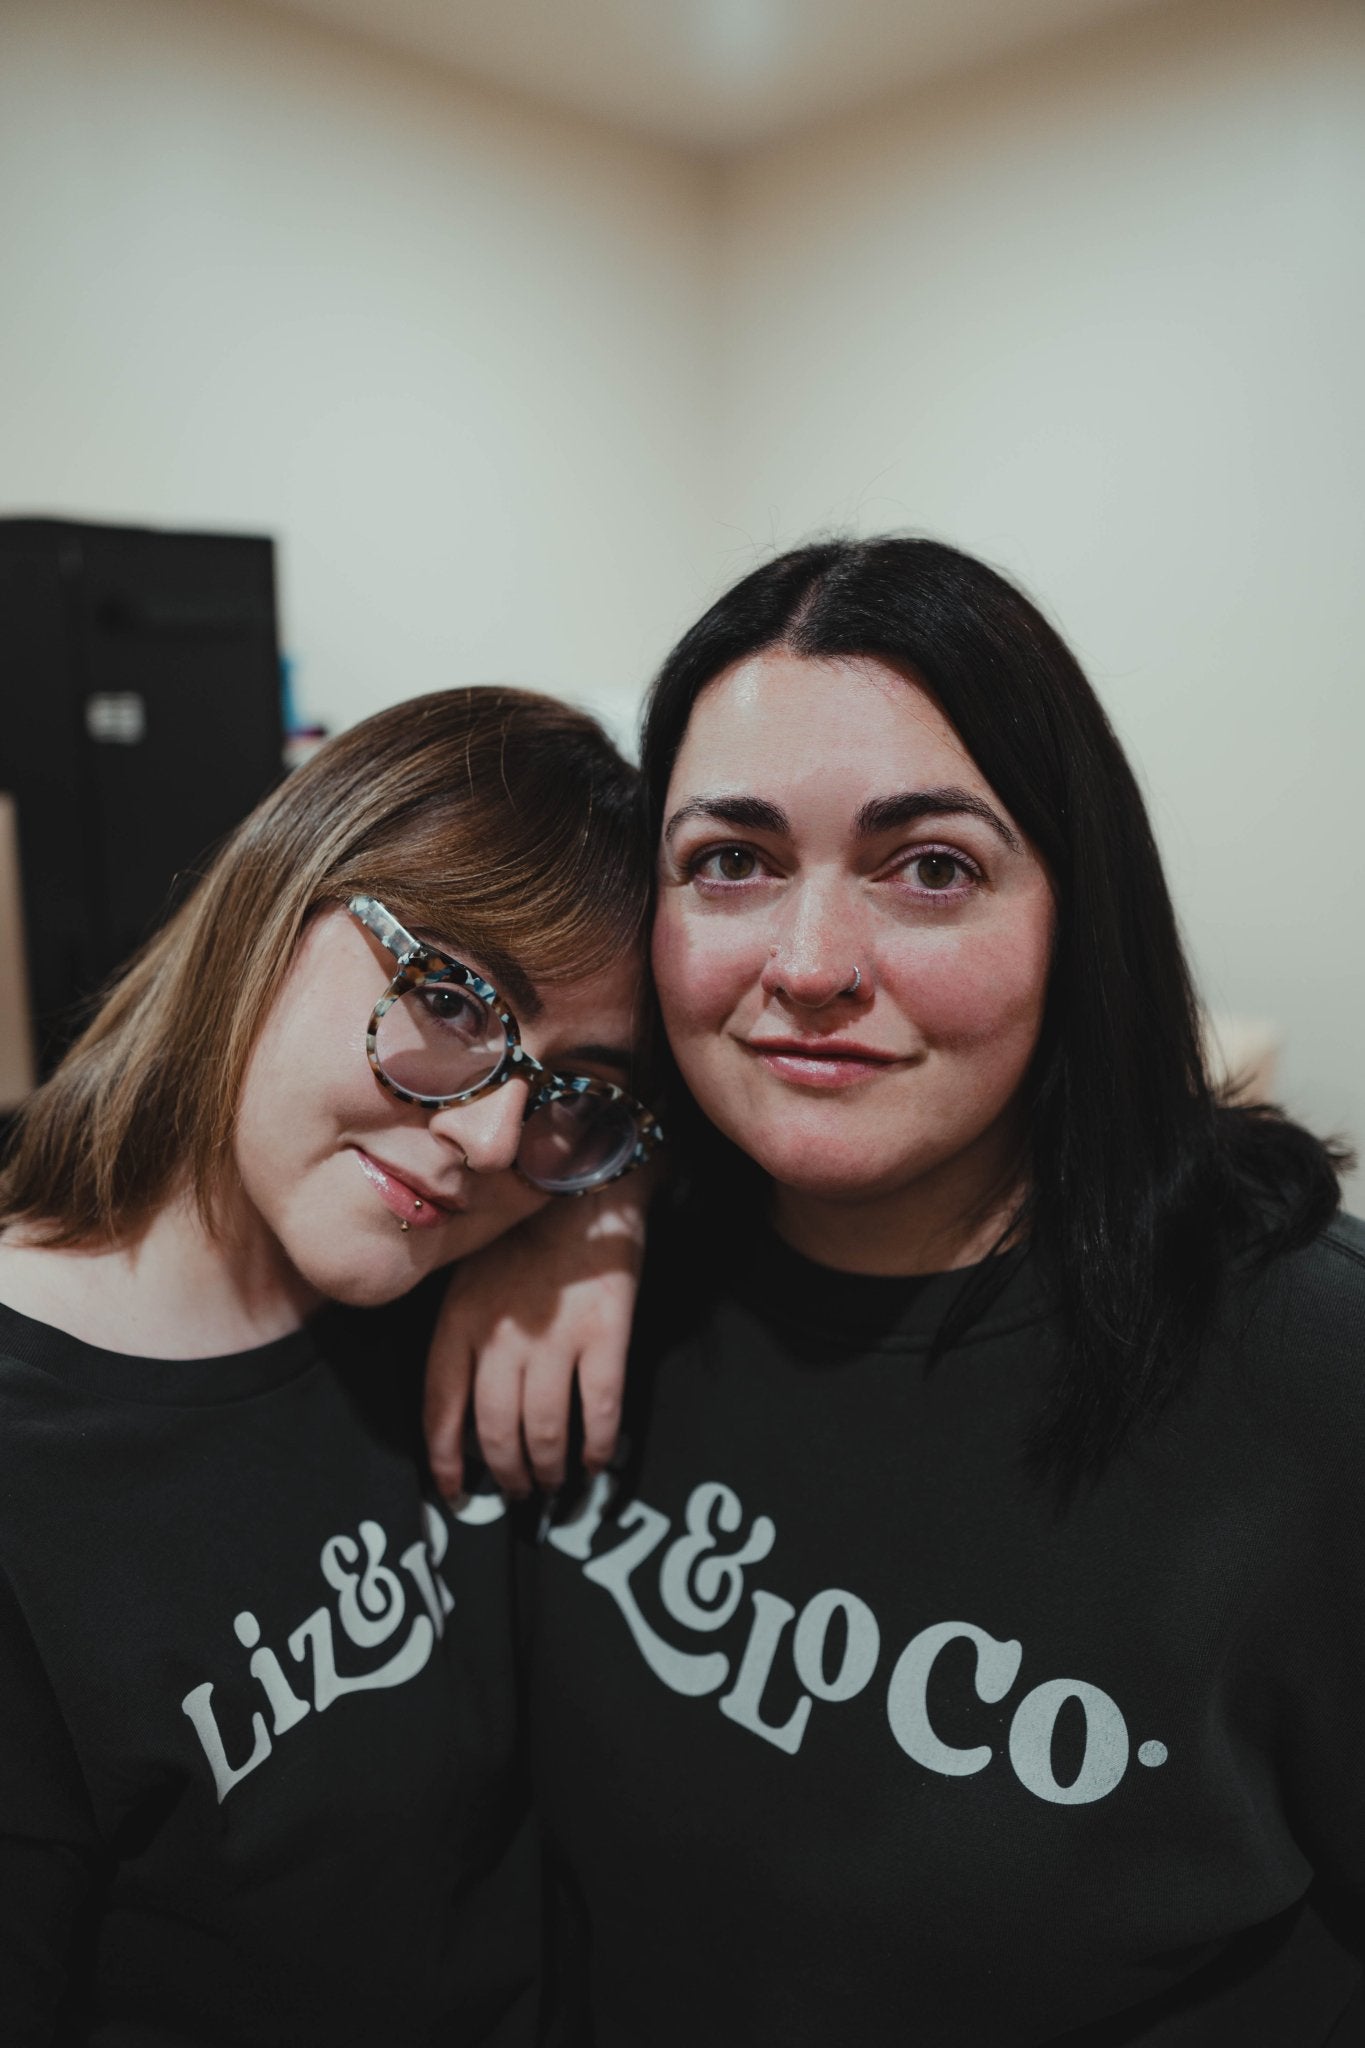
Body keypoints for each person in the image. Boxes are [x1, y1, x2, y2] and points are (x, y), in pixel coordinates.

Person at [435, 539, 1364, 2044]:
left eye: (928, 868)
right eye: (729, 861)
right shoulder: (571, 1276)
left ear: (1077, 911)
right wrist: (586, 1207)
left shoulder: (1312, 1377)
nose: (808, 965)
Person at [0, 684, 661, 2046]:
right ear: (279, 894)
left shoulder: (444, 1272)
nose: (487, 1141)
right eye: (451, 998)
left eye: (563, 1089)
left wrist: (598, 1212)